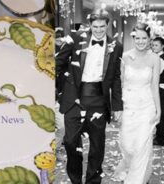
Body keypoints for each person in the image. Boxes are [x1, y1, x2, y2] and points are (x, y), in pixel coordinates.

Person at [55, 8, 123, 184]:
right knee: (70, 142)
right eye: (95, 26)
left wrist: (117, 106)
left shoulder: (116, 47)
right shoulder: (77, 39)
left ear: (107, 25)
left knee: (97, 145)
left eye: (102, 26)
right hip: (74, 99)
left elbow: (116, 78)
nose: (99, 30)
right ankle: (75, 180)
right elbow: (58, 63)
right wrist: (61, 89)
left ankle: (93, 181)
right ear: (90, 25)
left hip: (98, 99)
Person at [114, 23, 161, 183]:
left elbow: (155, 86)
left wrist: (158, 110)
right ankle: (128, 167)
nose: (141, 41)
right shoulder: (126, 56)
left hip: (146, 107)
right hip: (128, 106)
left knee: (142, 146)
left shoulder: (155, 59)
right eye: (137, 38)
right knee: (127, 144)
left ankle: (136, 180)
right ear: (133, 38)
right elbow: (119, 84)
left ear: (149, 39)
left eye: (144, 38)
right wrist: (118, 108)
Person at [152, 37, 164, 146]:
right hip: (159, 87)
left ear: (162, 46)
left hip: (159, 88)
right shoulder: (157, 57)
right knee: (159, 112)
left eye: (156, 45)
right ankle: (159, 135)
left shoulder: (160, 58)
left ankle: (161, 138)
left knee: (160, 112)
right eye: (152, 45)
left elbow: (156, 76)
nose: (154, 47)